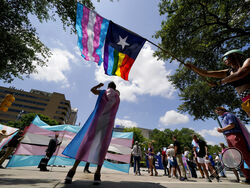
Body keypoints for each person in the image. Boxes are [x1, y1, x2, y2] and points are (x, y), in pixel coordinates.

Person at [63, 82, 120, 185]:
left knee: (86, 143)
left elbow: (92, 90)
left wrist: (99, 86)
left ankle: (72, 171)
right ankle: (97, 174)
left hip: (97, 121)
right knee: (103, 147)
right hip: (108, 124)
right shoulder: (117, 96)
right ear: (115, 88)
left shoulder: (103, 92)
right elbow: (118, 93)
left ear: (108, 87)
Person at [185, 49, 250, 117]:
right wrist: (192, 67)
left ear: (234, 55)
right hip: (244, 99)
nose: (224, 60)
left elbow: (240, 74)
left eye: (226, 57)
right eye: (223, 60)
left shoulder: (248, 60)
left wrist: (219, 82)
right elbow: (206, 73)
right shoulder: (228, 72)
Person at [215, 106, 250, 184]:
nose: (217, 112)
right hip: (228, 137)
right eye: (216, 111)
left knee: (245, 155)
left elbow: (232, 125)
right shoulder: (222, 118)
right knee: (238, 158)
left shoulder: (228, 115)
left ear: (223, 110)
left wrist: (222, 129)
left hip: (234, 135)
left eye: (218, 110)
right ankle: (248, 176)